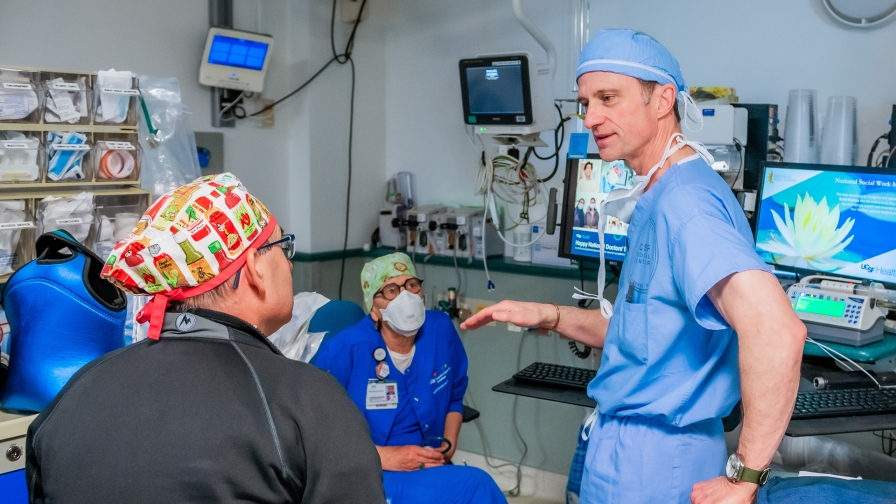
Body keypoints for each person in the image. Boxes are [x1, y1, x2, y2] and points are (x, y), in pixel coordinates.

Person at [462, 30, 806, 504]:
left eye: (608, 98)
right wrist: (553, 315)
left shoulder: (687, 205)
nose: (591, 118)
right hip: (627, 447)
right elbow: (650, 335)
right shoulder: (660, 191)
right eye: (585, 102)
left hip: (658, 461)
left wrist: (745, 476)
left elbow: (776, 330)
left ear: (663, 99)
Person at [26, 173, 386, 504]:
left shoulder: (75, 393)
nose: (289, 265)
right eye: (282, 247)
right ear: (254, 268)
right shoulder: (307, 401)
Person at [314, 253, 506, 504]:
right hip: (369, 471)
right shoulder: (345, 349)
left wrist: (446, 449)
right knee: (477, 485)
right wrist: (383, 457)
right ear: (374, 309)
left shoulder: (439, 330)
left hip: (429, 463)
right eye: (391, 290)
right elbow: (315, 431)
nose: (406, 296)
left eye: (412, 285)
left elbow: (455, 395)